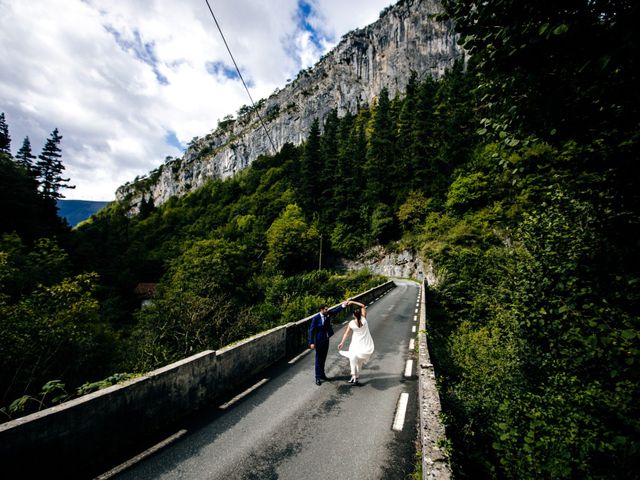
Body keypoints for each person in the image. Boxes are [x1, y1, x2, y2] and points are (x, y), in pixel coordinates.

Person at [309, 301, 346, 385]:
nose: (327, 310)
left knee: (323, 358)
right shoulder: (316, 318)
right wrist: (311, 342)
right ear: (321, 310)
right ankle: (317, 377)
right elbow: (311, 330)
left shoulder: (327, 314)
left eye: (327, 309)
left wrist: (343, 305)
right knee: (318, 359)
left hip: (326, 339)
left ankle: (322, 374)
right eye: (326, 309)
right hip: (318, 340)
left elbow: (336, 311)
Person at [338, 299, 375, 384]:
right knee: (359, 361)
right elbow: (362, 305)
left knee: (352, 358)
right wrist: (352, 302)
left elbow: (346, 334)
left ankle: (353, 376)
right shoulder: (364, 320)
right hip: (365, 344)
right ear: (360, 314)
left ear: (354, 315)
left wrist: (342, 343)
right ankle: (356, 376)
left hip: (355, 343)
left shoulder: (351, 323)